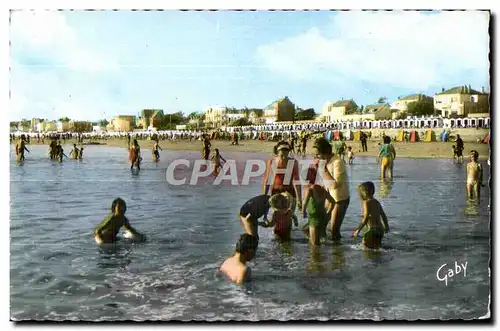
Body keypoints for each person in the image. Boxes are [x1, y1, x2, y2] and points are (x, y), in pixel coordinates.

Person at [314, 137, 350, 242]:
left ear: (325, 152)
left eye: (318, 154)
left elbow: (335, 185)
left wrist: (323, 169)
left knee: (334, 230)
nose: (317, 156)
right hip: (329, 198)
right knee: (320, 226)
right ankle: (325, 249)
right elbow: (324, 182)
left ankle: (338, 253)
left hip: (340, 199)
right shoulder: (324, 161)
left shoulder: (337, 162)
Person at [262, 141, 302, 212]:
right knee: (277, 217)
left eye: (286, 151)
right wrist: (263, 197)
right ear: (277, 151)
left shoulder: (293, 162)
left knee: (288, 217)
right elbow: (267, 180)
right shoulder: (272, 162)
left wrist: (299, 199)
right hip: (276, 191)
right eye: (282, 151)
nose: (284, 153)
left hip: (289, 191)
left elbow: (297, 181)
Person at [352, 182, 390, 250]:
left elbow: (366, 217)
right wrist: (386, 226)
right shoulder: (377, 202)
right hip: (380, 229)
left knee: (365, 248)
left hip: (371, 229)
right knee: (377, 248)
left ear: (363, 193)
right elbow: (383, 215)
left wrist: (358, 230)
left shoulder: (366, 203)